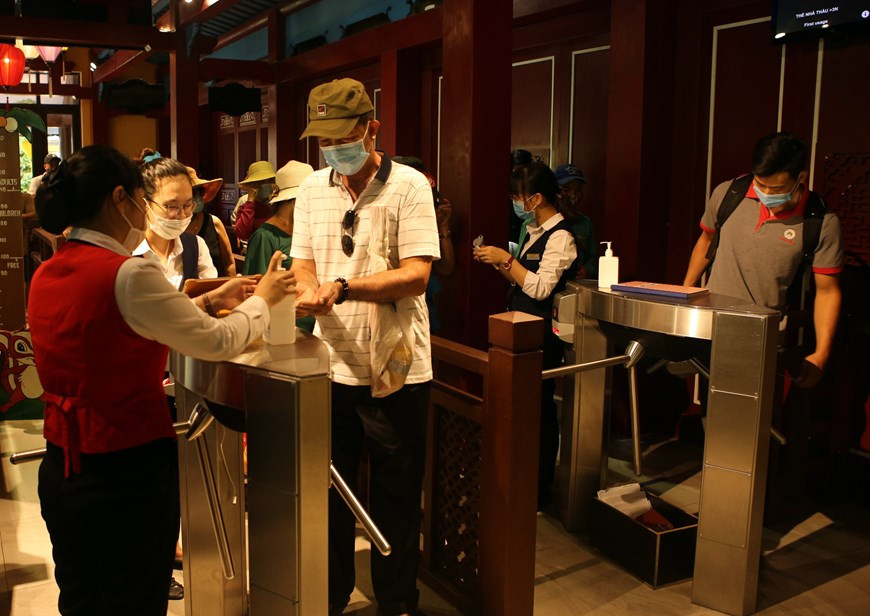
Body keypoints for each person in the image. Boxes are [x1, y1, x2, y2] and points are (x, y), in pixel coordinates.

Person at [28, 144, 294, 616]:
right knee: (134, 599)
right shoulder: (130, 272)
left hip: (61, 464)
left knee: (82, 595)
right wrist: (264, 300)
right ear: (120, 198)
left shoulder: (49, 271)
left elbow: (122, 331)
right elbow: (218, 343)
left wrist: (212, 300)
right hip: (125, 468)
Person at [290, 78, 439, 616]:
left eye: (342, 137)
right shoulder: (311, 189)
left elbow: (417, 275)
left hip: (395, 369)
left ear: (370, 128)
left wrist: (345, 287)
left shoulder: (410, 186)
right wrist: (309, 290)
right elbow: (304, 260)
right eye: (323, 140)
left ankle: (397, 602)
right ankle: (329, 599)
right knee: (328, 495)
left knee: (396, 497)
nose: (333, 150)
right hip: (329, 367)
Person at [683, 132, 843, 388]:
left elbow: (827, 291)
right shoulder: (729, 193)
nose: (767, 193)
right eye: (761, 184)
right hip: (711, 328)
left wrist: (821, 353)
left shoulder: (821, 222)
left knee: (749, 416)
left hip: (762, 339)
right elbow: (706, 241)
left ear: (801, 177)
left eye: (777, 189)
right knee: (710, 412)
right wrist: (686, 291)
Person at [473, 162, 578, 509]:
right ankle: (518, 478)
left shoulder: (561, 236)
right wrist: (499, 263)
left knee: (540, 410)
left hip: (542, 335)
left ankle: (540, 485)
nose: (516, 203)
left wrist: (507, 258)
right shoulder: (530, 229)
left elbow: (540, 287)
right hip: (518, 328)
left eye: (519, 197)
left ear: (535, 197)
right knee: (518, 408)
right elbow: (520, 278)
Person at [243, 159, 316, 332]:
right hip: (285, 328)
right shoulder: (265, 237)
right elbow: (257, 290)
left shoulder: (308, 231)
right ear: (293, 201)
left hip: (317, 324)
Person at [392, 155, 455, 333]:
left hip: (424, 309)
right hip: (392, 309)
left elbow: (446, 267)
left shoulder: (428, 212)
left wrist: (442, 225)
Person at [134, 158, 217, 290]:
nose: (183, 214)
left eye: (188, 205)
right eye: (172, 206)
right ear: (144, 204)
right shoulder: (127, 250)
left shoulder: (196, 246)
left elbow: (210, 293)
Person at [185, 166, 236, 277]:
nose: (198, 198)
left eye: (200, 193)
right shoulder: (174, 227)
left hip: (217, 288)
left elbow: (228, 263)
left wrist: (231, 285)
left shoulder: (214, 222)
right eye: (194, 194)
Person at [555, 164, 597, 279]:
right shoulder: (541, 221)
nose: (573, 195)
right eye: (567, 190)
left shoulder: (585, 223)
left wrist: (587, 270)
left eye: (578, 190)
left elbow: (593, 257)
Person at [233, 161, 277, 241]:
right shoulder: (245, 208)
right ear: (253, 186)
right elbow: (242, 233)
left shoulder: (277, 205)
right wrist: (250, 201)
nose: (267, 185)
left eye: (270, 181)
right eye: (261, 182)